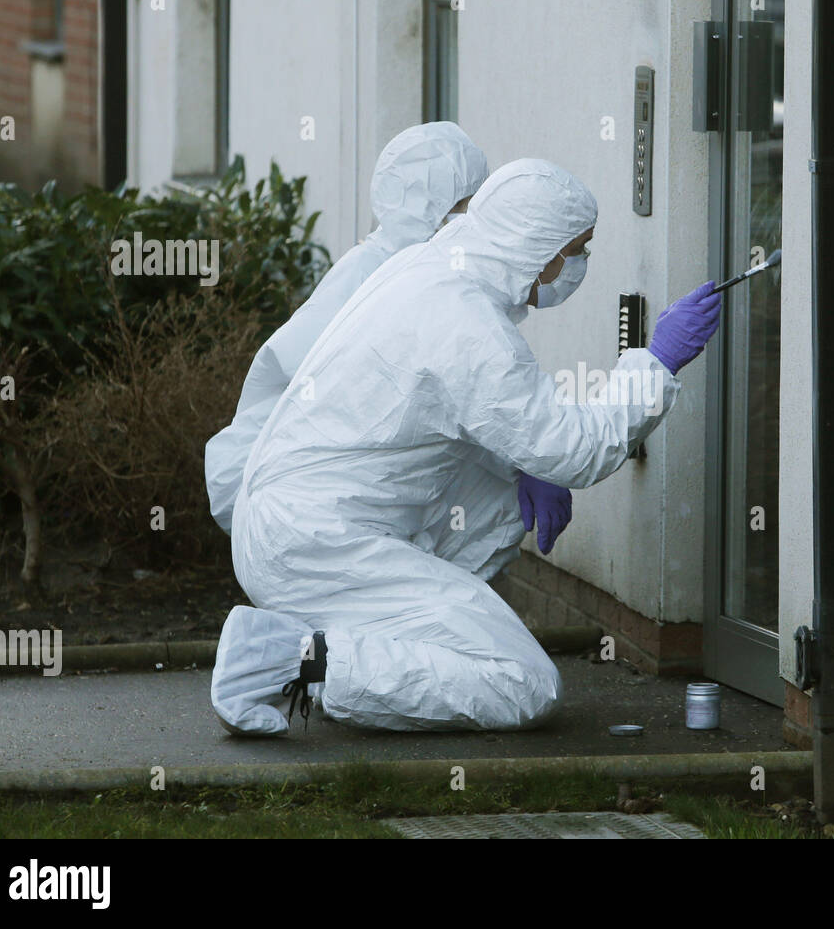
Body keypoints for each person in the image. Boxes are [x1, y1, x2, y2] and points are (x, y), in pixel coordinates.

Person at [210, 159, 722, 735]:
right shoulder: (466, 324)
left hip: (299, 520)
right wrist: (655, 364)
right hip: (315, 546)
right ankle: (295, 660)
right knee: (524, 683)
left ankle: (382, 651)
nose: (578, 266)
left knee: (503, 498)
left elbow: (466, 411)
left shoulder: (432, 268)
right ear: (536, 247)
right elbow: (576, 451)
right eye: (576, 250)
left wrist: (526, 464)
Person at [204, 122, 489, 533]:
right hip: (294, 497)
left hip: (319, 497)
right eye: (469, 205)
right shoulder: (372, 275)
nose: (476, 221)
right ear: (436, 208)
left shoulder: (409, 269)